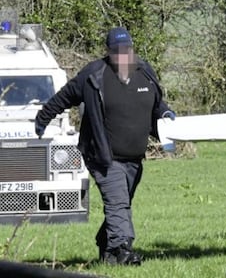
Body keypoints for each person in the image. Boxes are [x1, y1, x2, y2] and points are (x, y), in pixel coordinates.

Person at [34, 26, 176, 266]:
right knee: (118, 202)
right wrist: (42, 120)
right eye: (116, 51)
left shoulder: (145, 72)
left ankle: (107, 247)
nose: (122, 55)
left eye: (126, 50)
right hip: (103, 155)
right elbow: (63, 97)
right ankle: (122, 251)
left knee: (121, 203)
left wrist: (166, 114)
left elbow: (156, 104)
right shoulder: (93, 75)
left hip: (134, 157)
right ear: (108, 52)